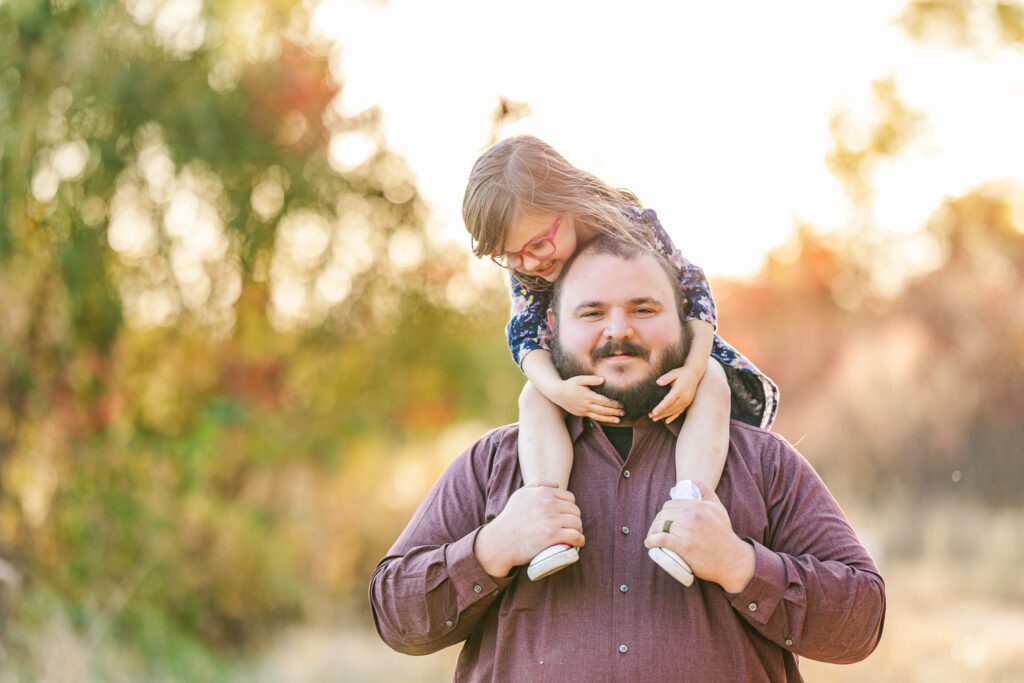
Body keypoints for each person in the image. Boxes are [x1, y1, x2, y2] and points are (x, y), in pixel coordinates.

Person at [369, 236, 885, 681]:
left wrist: (738, 563)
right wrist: (493, 548)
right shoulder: (492, 464)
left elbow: (861, 622)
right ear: (551, 325)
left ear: (686, 321)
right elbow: (396, 617)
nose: (618, 332)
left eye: (643, 309)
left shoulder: (764, 464)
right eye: (591, 312)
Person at [462, 135, 778, 583]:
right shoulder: (525, 265)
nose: (528, 264)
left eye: (536, 246)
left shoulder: (632, 223)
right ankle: (547, 515)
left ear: (565, 204)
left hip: (670, 351)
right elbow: (525, 337)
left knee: (712, 381)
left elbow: (694, 291)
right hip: (576, 368)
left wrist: (691, 367)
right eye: (507, 256)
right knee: (534, 397)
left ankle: (690, 509)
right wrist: (558, 390)